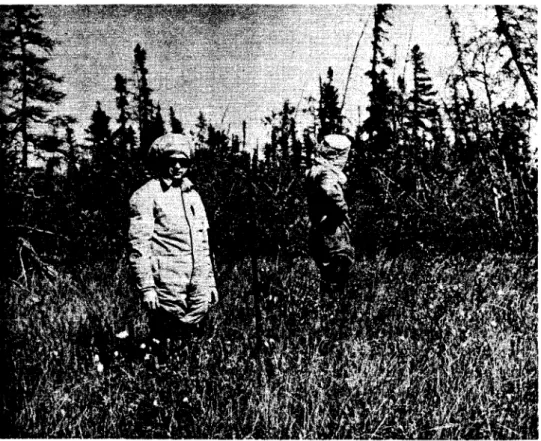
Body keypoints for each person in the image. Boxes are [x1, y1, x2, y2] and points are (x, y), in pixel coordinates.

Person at [128, 134, 218, 365]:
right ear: (161, 161)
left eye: (183, 161)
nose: (177, 167)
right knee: (164, 345)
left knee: (194, 346)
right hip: (166, 283)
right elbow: (139, 247)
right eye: (171, 161)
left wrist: (210, 282)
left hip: (196, 283)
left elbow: (203, 243)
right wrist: (147, 287)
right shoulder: (146, 195)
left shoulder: (193, 196)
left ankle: (190, 387)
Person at [305, 134, 355, 328]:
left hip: (320, 233)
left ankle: (327, 323)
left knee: (328, 280)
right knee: (336, 280)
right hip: (334, 235)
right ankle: (334, 327)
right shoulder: (328, 173)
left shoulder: (314, 171)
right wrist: (341, 210)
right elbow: (330, 192)